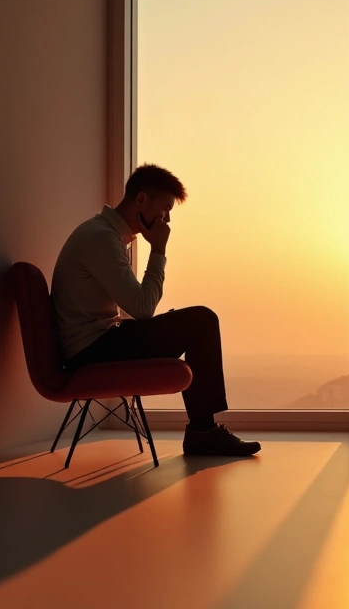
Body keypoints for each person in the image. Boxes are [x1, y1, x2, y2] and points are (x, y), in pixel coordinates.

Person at [50, 164, 260, 456]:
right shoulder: (101, 239)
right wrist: (158, 250)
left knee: (197, 321)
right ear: (141, 200)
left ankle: (204, 431)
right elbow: (143, 308)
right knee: (202, 320)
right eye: (165, 208)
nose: (167, 219)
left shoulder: (104, 235)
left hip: (99, 340)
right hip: (91, 350)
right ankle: (203, 432)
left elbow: (137, 307)